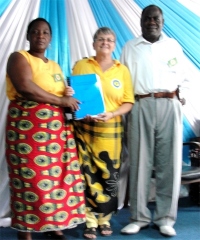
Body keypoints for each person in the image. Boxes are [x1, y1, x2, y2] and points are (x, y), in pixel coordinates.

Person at [5, 18, 85, 240]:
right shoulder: (19, 57)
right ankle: (25, 231)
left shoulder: (55, 66)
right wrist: (61, 102)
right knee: (29, 177)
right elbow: (26, 87)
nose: (40, 36)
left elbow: (60, 94)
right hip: (27, 131)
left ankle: (53, 224)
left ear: (50, 39)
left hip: (56, 134)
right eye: (36, 32)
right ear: (28, 35)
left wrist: (68, 96)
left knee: (56, 179)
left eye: (45, 33)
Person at [120, 5, 188, 237]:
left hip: (170, 104)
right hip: (140, 105)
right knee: (140, 161)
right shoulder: (130, 47)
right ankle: (138, 217)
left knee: (169, 163)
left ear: (163, 21)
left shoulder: (173, 46)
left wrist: (181, 97)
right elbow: (122, 80)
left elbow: (184, 75)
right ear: (141, 22)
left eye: (156, 18)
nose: (152, 21)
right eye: (147, 18)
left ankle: (165, 218)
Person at [66, 27, 134, 239]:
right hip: (85, 128)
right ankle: (90, 220)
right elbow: (73, 96)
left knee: (109, 174)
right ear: (94, 43)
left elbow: (128, 102)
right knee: (87, 174)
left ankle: (105, 218)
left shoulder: (122, 70)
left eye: (110, 40)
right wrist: (68, 93)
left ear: (115, 45)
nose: (106, 43)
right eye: (101, 39)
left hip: (111, 127)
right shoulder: (81, 65)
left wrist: (112, 113)